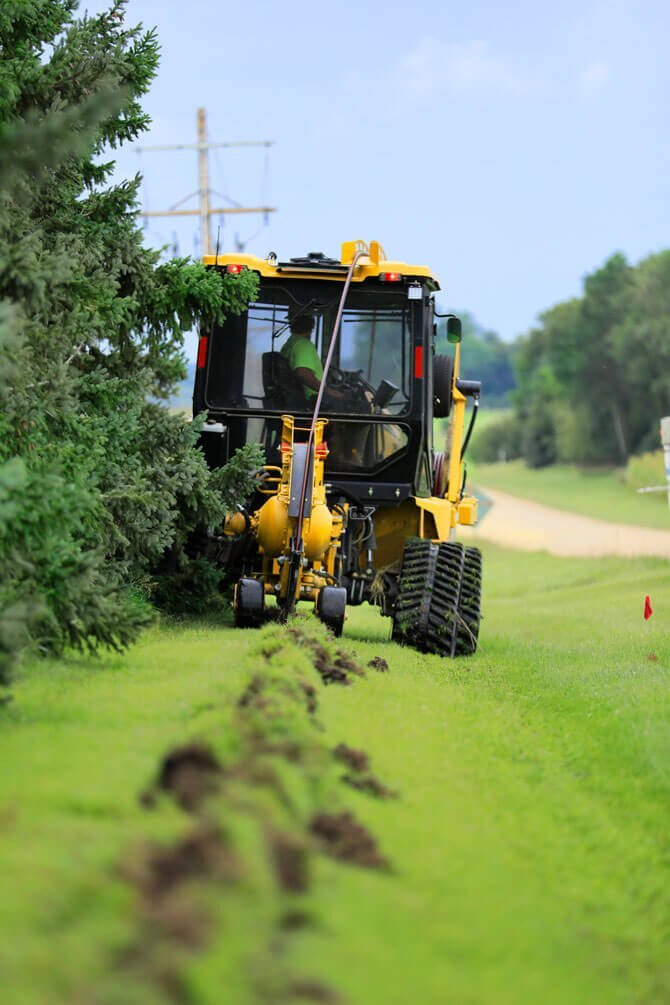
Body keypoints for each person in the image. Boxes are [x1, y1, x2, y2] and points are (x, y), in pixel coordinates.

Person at [280, 310, 344, 408]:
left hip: (301, 400)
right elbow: (303, 373)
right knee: (351, 404)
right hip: (313, 401)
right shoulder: (303, 345)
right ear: (311, 326)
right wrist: (329, 391)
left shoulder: (289, 344)